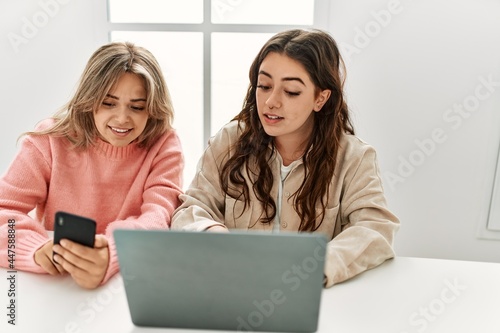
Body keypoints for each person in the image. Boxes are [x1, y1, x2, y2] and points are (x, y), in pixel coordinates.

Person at [171, 29, 399, 287]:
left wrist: (314, 266)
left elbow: (375, 228)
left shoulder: (354, 157)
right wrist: (213, 234)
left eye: (290, 91)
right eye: (264, 86)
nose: (271, 101)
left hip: (313, 298)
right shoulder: (229, 142)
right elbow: (190, 209)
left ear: (320, 98)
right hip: (233, 288)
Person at [0, 42, 184, 289]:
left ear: (151, 109)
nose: (122, 118)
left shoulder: (165, 144)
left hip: (128, 282)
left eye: (137, 107)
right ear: (90, 100)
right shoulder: (48, 139)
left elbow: (160, 216)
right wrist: (34, 249)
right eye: (109, 103)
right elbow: (5, 211)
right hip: (55, 285)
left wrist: (113, 252)